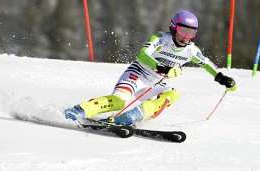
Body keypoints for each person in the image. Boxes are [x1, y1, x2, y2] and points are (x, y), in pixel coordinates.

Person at [64, 10, 236, 126]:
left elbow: (207, 64)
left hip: (153, 84)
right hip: (136, 75)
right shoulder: (161, 38)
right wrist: (160, 67)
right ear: (174, 27)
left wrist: (222, 78)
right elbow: (142, 55)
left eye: (191, 33)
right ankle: (78, 111)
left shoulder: (191, 50)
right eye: (183, 31)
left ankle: (133, 116)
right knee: (119, 101)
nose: (186, 37)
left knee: (173, 94)